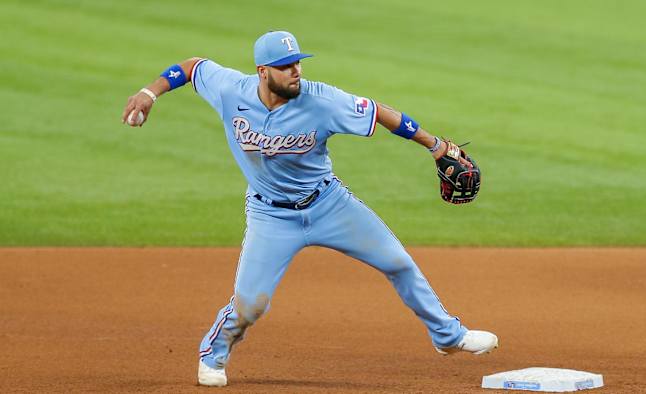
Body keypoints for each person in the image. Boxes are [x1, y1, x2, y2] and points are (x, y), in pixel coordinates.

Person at [122, 31, 497, 387]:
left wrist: (434, 146)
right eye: (286, 66)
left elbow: (381, 113)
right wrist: (149, 92)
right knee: (250, 306)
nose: (296, 71)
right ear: (263, 71)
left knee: (398, 262)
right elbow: (192, 66)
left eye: (298, 63)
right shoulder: (230, 90)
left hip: (329, 204)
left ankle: (448, 336)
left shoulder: (322, 100)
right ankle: (213, 355)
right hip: (271, 216)